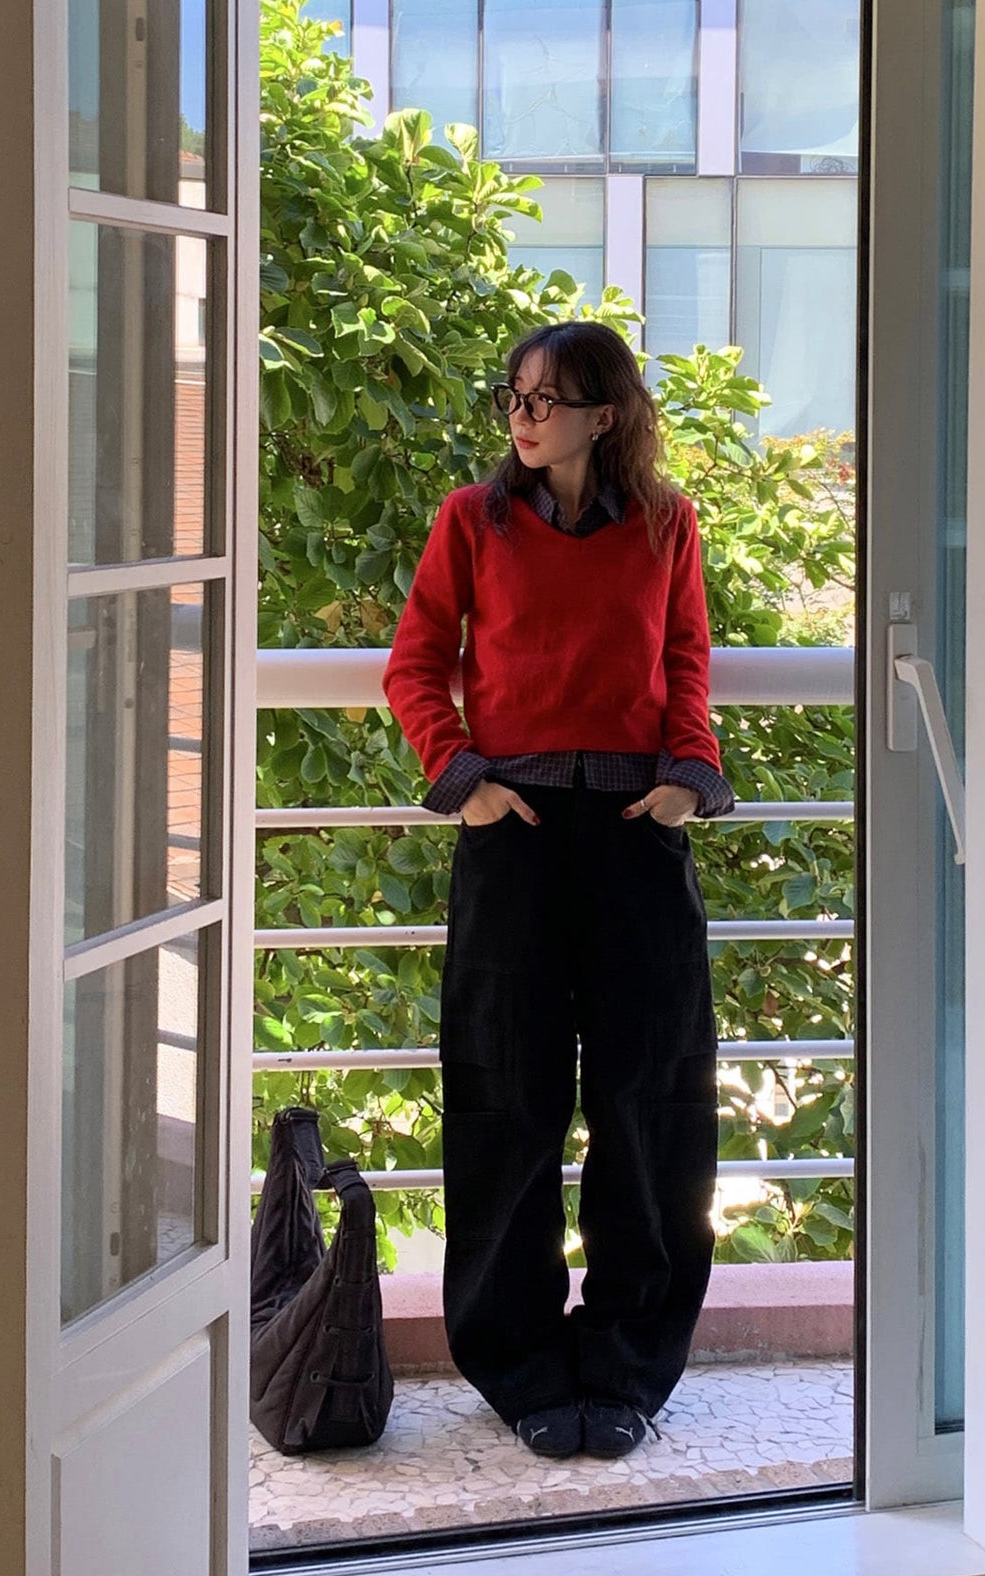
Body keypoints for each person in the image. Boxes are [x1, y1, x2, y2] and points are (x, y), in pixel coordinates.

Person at [382, 319, 735, 1462]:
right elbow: (415, 661)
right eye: (516, 395)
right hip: (515, 832)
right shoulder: (471, 520)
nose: (524, 416)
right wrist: (462, 777)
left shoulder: (666, 522)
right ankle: (523, 1361)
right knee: (508, 1094)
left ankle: (629, 1362)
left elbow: (686, 659)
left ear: (605, 413)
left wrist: (689, 775)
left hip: (638, 832)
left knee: (650, 1097)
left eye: (548, 398)